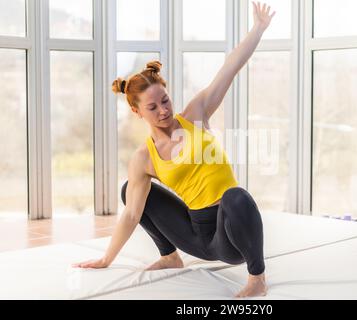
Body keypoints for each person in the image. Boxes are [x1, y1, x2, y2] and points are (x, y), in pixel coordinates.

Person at [73, 1, 276, 298]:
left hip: (229, 235)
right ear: (136, 111)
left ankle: (257, 277)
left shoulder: (195, 115)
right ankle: (170, 256)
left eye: (165, 101)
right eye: (152, 107)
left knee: (237, 197)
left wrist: (258, 28)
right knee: (131, 189)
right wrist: (106, 259)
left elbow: (229, 69)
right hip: (196, 235)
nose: (164, 111)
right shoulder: (144, 157)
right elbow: (131, 214)